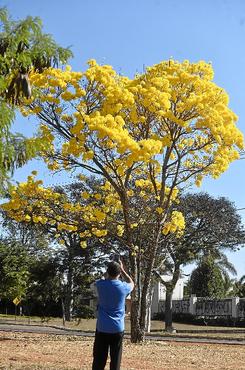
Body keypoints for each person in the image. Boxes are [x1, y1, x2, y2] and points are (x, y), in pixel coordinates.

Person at [92, 259, 134, 370]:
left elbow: (96, 282)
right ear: (119, 273)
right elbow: (132, 283)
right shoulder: (124, 287)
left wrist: (105, 274)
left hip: (102, 328)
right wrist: (123, 271)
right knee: (116, 359)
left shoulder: (100, 285)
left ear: (107, 271)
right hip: (117, 328)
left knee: (99, 359)